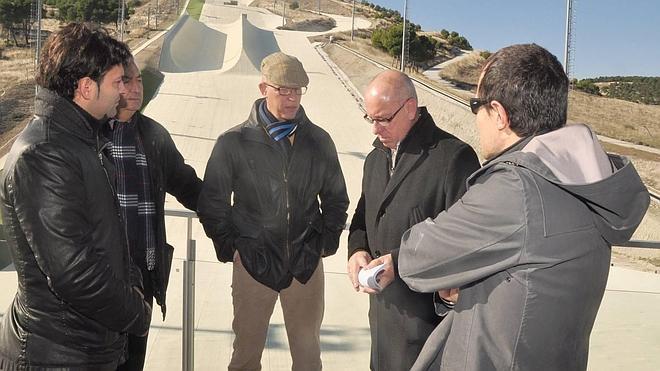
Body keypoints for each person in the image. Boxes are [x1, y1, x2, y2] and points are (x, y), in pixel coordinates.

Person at [371, 44, 650, 370]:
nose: (476, 119)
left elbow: (419, 259)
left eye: (477, 106)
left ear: (499, 114)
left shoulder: (516, 187)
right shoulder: (584, 180)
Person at [0, 23, 152, 369]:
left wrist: (133, 283)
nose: (124, 93)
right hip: (57, 355)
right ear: (86, 87)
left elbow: (108, 239)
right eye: (117, 83)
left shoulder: (82, 141)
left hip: (84, 347)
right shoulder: (44, 154)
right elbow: (74, 273)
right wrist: (136, 313)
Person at [198, 52, 349, 371]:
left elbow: (336, 199)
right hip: (253, 263)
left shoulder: (319, 141)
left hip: (305, 265)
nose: (291, 97)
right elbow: (213, 202)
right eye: (283, 89)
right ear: (263, 87)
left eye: (297, 90)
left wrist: (325, 243)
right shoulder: (233, 142)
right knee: (246, 356)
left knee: (309, 359)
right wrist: (231, 248)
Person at [346, 70, 480, 371]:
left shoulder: (453, 158)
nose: (375, 129)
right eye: (371, 119)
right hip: (382, 326)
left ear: (409, 108)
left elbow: (464, 244)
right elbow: (362, 217)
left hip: (427, 332)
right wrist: (357, 250)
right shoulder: (375, 159)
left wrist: (400, 261)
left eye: (383, 119)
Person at [105, 57, 202, 371]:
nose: (135, 90)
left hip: (144, 277)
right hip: (100, 280)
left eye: (139, 82)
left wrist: (233, 214)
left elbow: (186, 184)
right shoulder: (90, 137)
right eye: (126, 82)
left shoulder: (152, 135)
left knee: (133, 363)